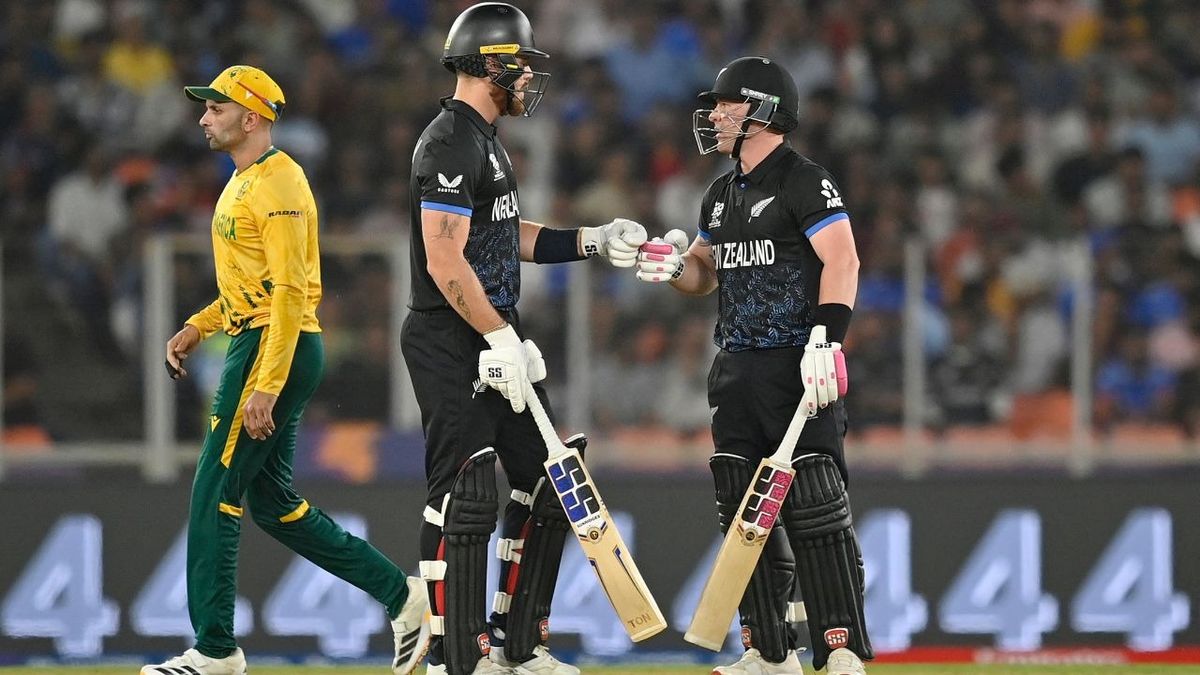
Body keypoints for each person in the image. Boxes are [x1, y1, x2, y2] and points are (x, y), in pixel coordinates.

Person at [144, 65, 430, 675]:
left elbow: (290, 293)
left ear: (251, 117)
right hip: (268, 340)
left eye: (216, 108)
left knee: (214, 490)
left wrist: (267, 384)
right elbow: (250, 288)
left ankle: (215, 650)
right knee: (274, 504)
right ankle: (404, 598)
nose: (203, 118)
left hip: (273, 346)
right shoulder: (246, 181)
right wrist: (199, 324)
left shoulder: (279, 184)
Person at [403, 4, 647, 675]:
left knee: (548, 483)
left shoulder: (484, 139)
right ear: (491, 64)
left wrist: (591, 241)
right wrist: (497, 335)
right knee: (462, 493)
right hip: (450, 338)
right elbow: (444, 260)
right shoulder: (449, 143)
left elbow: (504, 236)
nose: (528, 79)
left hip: (491, 334)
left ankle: (518, 645)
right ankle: (452, 653)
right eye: (520, 65)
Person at [634, 56, 873, 675]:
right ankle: (768, 651)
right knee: (743, 511)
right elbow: (704, 273)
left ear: (763, 111)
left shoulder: (804, 180)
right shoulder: (720, 194)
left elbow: (842, 259)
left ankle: (840, 647)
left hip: (798, 365)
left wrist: (827, 341)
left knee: (817, 506)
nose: (714, 115)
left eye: (726, 104)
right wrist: (673, 267)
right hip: (736, 367)